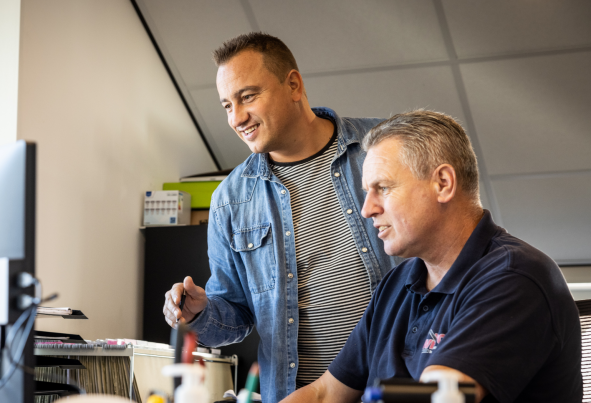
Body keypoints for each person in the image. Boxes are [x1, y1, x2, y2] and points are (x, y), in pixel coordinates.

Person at [161, 32, 401, 402]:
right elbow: (236, 315)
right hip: (296, 396)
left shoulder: (384, 147)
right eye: (227, 105)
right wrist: (199, 312)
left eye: (247, 97)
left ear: (293, 85)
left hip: (393, 386)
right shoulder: (230, 199)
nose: (237, 118)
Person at [281, 110, 583, 403]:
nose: (367, 209)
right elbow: (325, 394)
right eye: (367, 192)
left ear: (443, 184)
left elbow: (443, 395)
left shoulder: (515, 277)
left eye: (382, 188)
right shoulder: (397, 284)